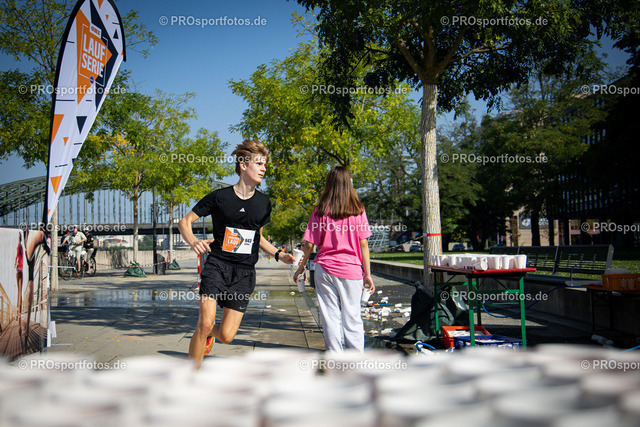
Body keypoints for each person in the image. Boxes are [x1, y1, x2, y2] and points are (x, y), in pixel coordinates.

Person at [178, 139, 294, 369]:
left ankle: (209, 335)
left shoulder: (263, 203)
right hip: (217, 266)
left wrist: (280, 255)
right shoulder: (220, 197)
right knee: (205, 323)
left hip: (244, 273)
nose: (263, 168)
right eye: (259, 163)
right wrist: (193, 242)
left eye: (265, 164)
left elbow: (259, 237)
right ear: (243, 165)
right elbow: (185, 221)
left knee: (227, 336)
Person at [294, 166, 374, 352]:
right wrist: (368, 274)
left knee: (330, 318)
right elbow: (363, 244)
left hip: (325, 269)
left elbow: (309, 244)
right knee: (352, 317)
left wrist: (301, 268)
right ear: (348, 183)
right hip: (351, 270)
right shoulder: (358, 210)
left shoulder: (320, 210)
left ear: (329, 183)